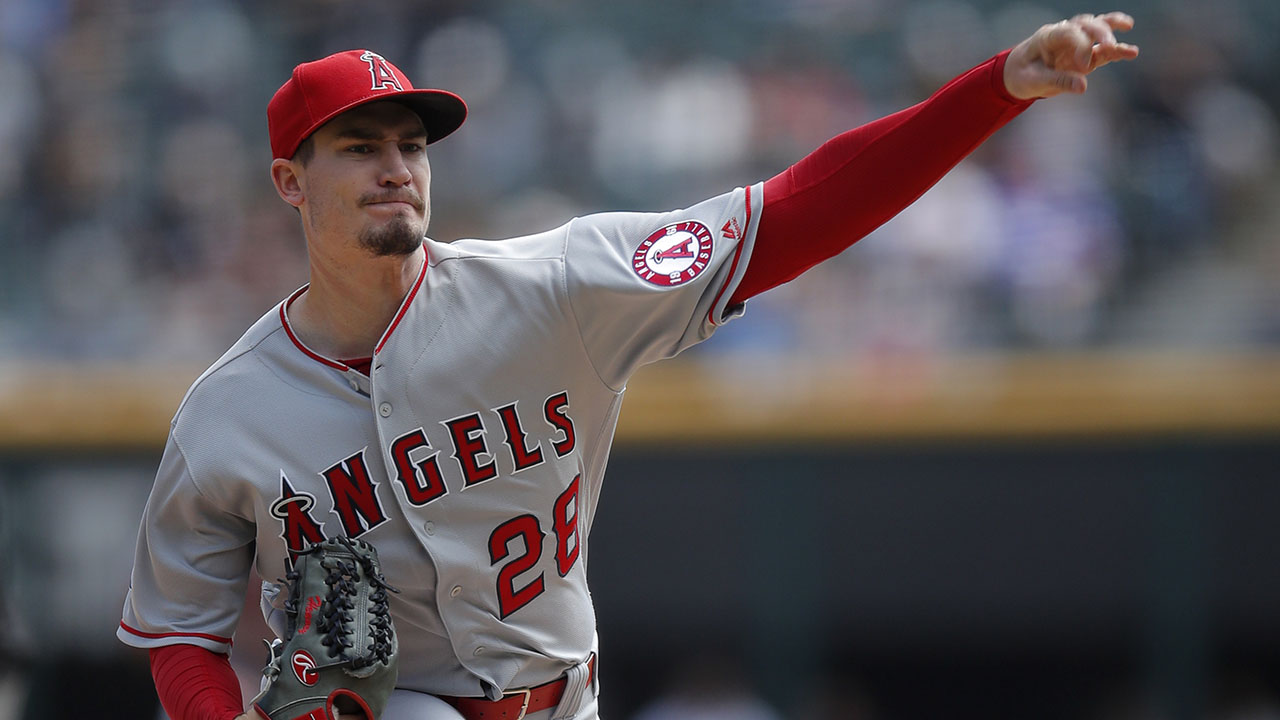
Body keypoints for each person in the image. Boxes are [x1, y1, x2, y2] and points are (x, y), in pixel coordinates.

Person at [118, 12, 1138, 720]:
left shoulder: (553, 287)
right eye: (358, 145)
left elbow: (790, 214)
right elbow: (179, 632)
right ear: (290, 181)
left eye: (411, 143)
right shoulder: (227, 417)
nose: (396, 165)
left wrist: (991, 91)